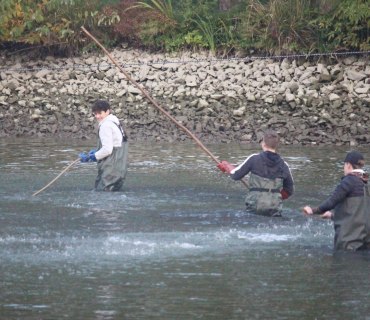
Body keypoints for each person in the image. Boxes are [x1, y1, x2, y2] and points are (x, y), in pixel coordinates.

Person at [303, 151, 370, 251]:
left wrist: (313, 211)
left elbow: (331, 202)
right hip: (365, 241)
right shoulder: (366, 183)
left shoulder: (349, 181)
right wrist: (333, 215)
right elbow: (361, 212)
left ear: (348, 165)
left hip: (349, 242)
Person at [217, 130, 294, 217]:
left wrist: (226, 166)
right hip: (274, 208)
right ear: (276, 146)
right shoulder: (284, 165)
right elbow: (289, 190)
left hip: (254, 207)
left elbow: (235, 175)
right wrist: (274, 198)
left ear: (263, 144)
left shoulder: (254, 159)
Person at [79, 99, 128, 191]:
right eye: (95, 114)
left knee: (102, 193)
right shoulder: (115, 121)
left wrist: (92, 157)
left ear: (107, 111)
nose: (97, 116)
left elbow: (107, 150)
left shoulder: (105, 125)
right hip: (119, 168)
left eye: (100, 113)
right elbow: (114, 143)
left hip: (110, 169)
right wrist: (97, 151)